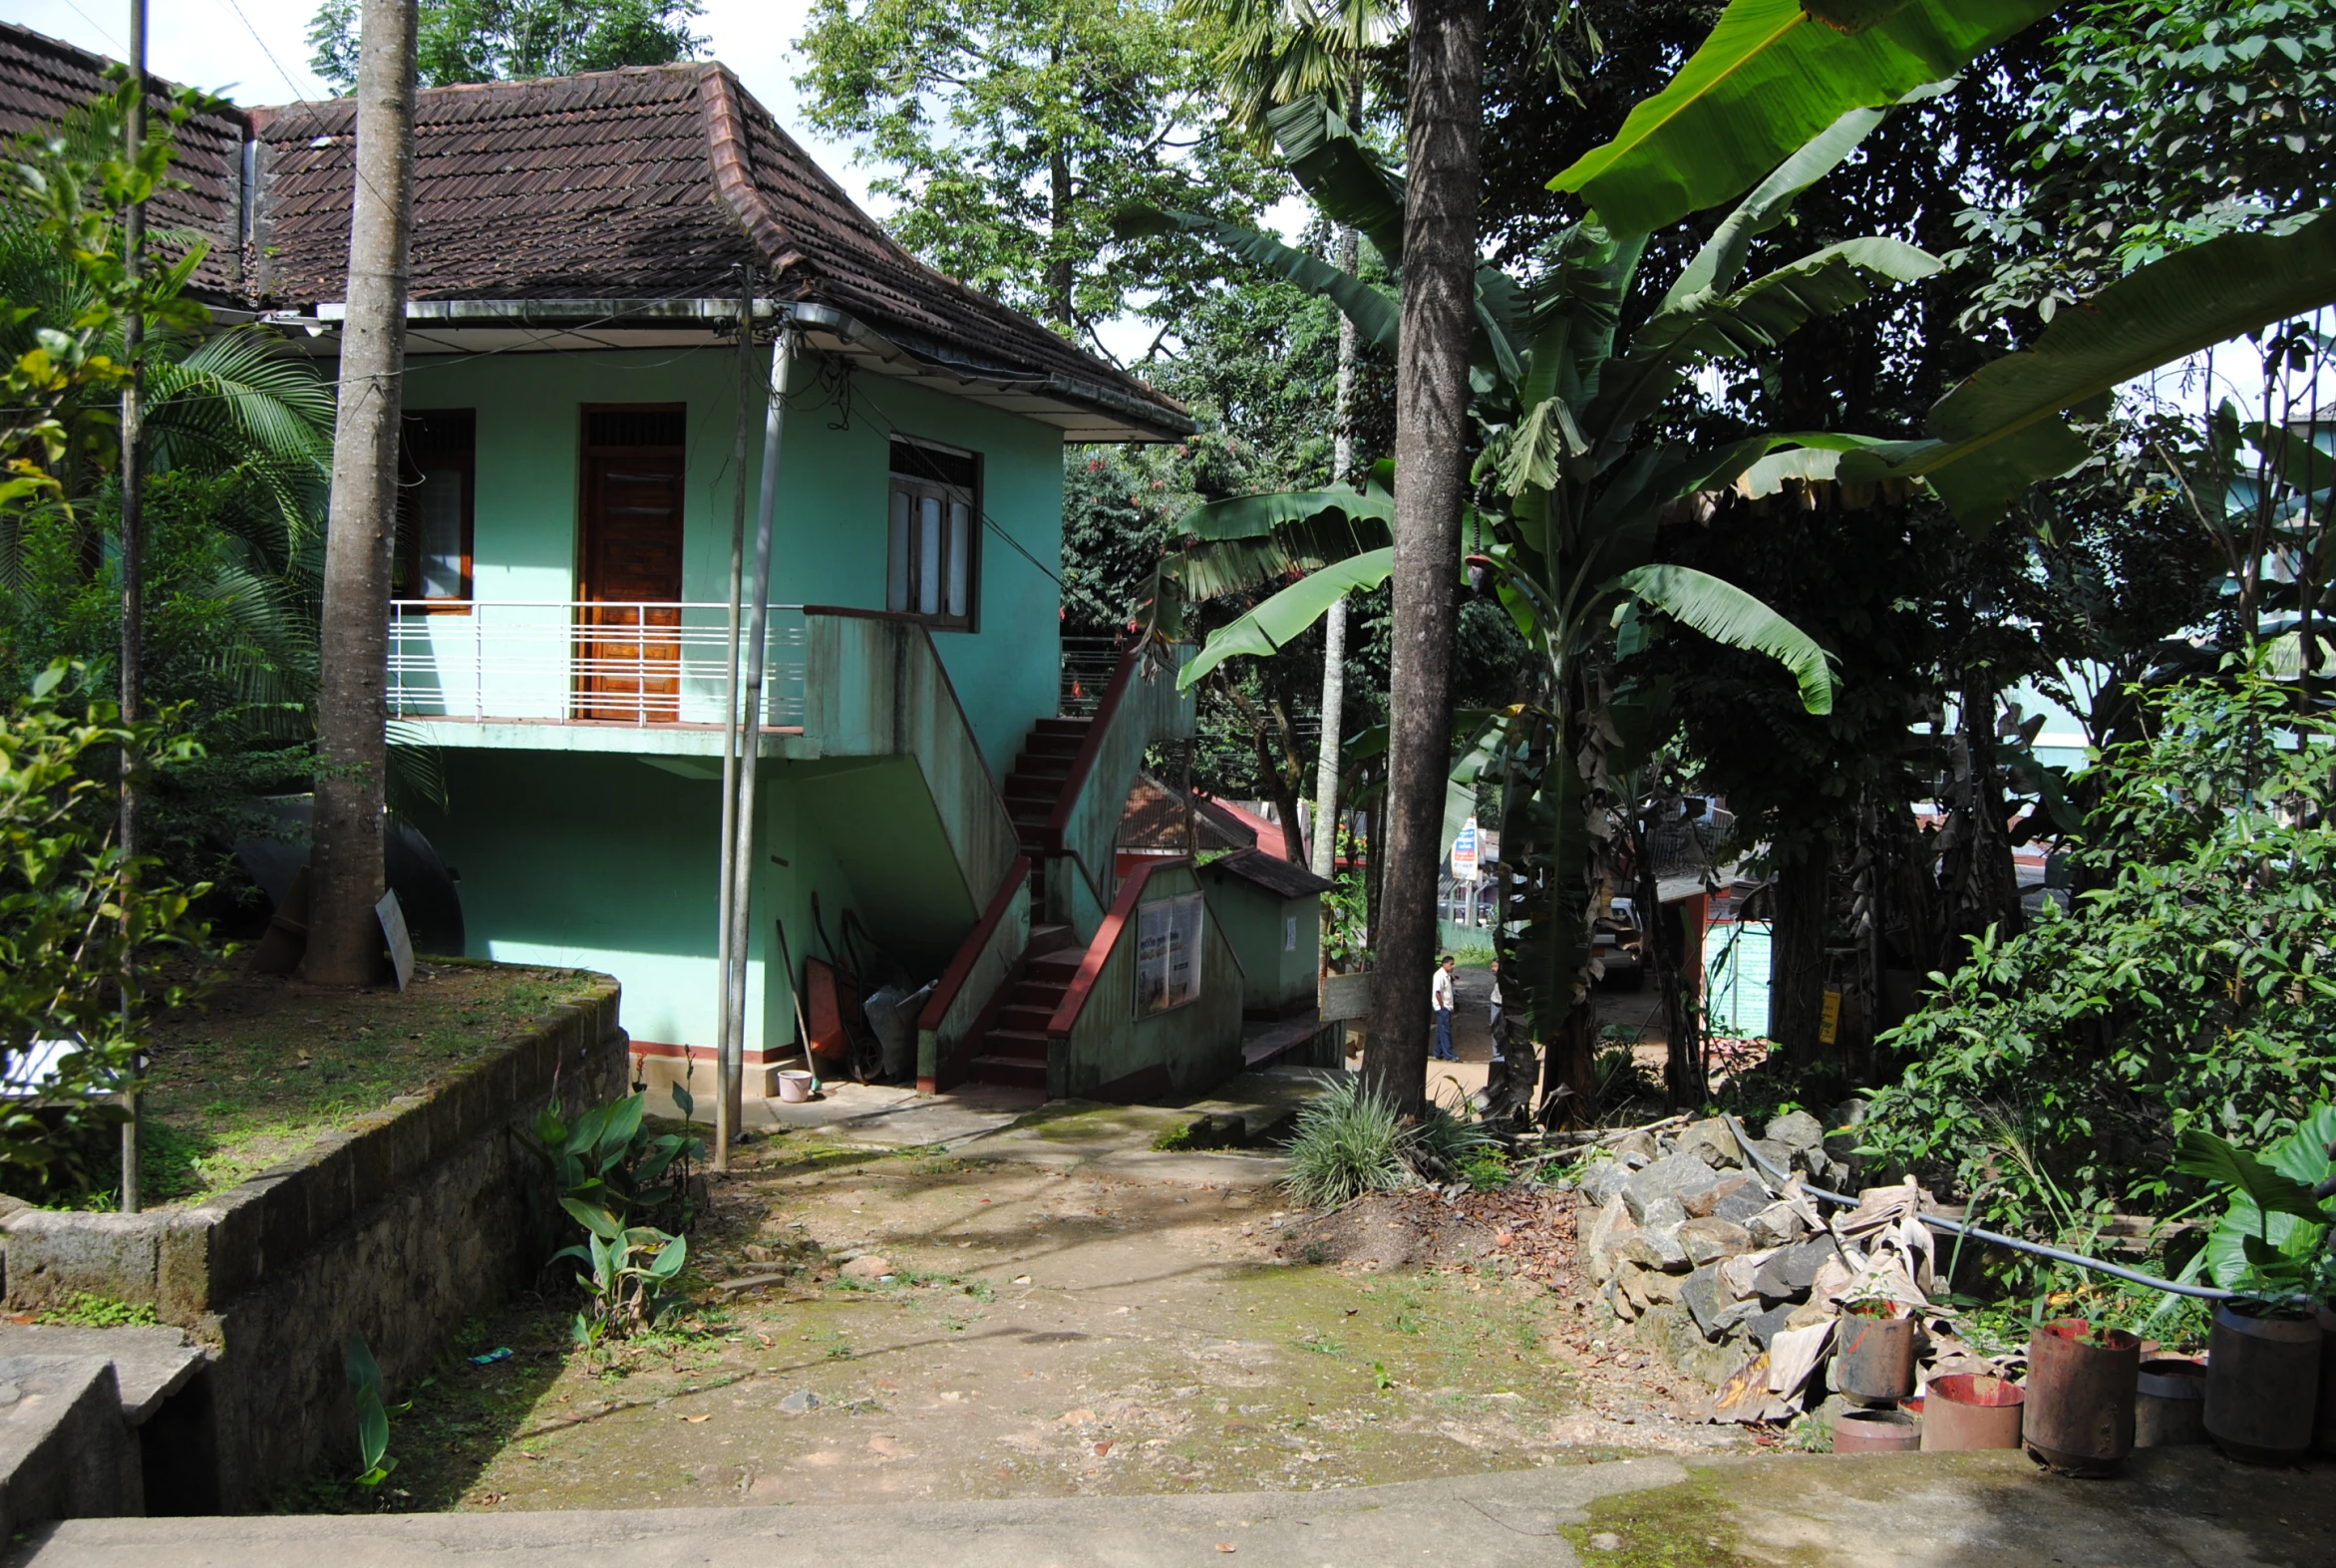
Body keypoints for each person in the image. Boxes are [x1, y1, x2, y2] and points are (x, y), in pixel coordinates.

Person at [1431, 954, 1457, 1062]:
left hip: (1447, 1006)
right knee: (1445, 1030)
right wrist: (1442, 1006)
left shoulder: (1447, 975)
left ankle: (1438, 1052)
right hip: (1443, 1007)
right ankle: (1448, 1054)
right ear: (1444, 964)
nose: (1453, 966)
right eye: (1451, 964)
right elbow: (1437, 992)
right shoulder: (1439, 975)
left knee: (1440, 1030)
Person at [1488, 958, 1503, 1064]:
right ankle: (1496, 1055)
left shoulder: (1506, 977)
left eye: (1495, 966)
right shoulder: (1498, 977)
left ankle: (1502, 1054)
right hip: (1495, 1003)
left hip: (1503, 1005)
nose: (1493, 969)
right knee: (1494, 1029)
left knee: (1503, 1030)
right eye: (1492, 966)